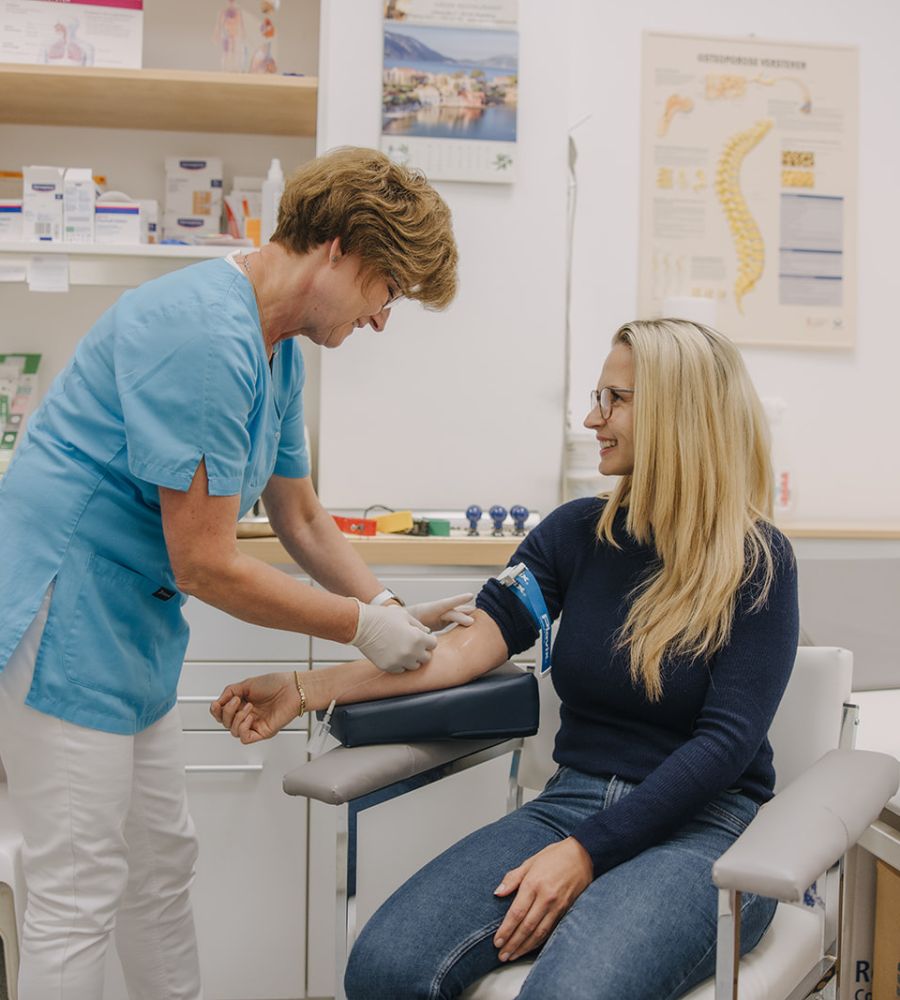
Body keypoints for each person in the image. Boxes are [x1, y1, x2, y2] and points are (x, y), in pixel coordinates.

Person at [212, 319, 800, 1000]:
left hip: (705, 831)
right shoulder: (574, 535)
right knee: (384, 969)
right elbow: (457, 654)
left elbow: (726, 746)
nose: (591, 418)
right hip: (573, 802)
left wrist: (586, 854)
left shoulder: (758, 562)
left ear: (677, 412)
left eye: (615, 399)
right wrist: (304, 687)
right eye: (595, 396)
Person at [0, 146, 467, 999]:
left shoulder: (278, 342)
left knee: (160, 865)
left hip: (131, 621)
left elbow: (302, 517)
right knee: (78, 890)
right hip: (62, 612)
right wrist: (363, 629)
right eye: (386, 290)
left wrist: (388, 601)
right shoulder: (206, 335)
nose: (382, 319)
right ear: (340, 250)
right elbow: (207, 562)